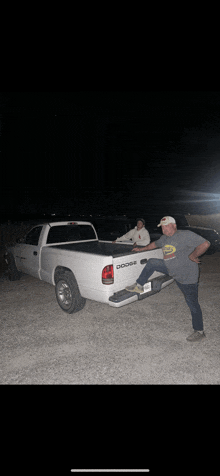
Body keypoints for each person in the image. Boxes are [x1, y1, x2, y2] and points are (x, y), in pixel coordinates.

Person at [126, 216, 210, 342]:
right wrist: (141, 249)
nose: (164, 229)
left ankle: (199, 331)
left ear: (174, 225)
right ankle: (139, 285)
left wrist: (193, 255)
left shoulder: (184, 235)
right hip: (171, 269)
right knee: (152, 262)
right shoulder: (164, 238)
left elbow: (205, 243)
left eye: (167, 226)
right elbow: (153, 244)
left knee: (192, 303)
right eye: (162, 227)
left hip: (186, 276)